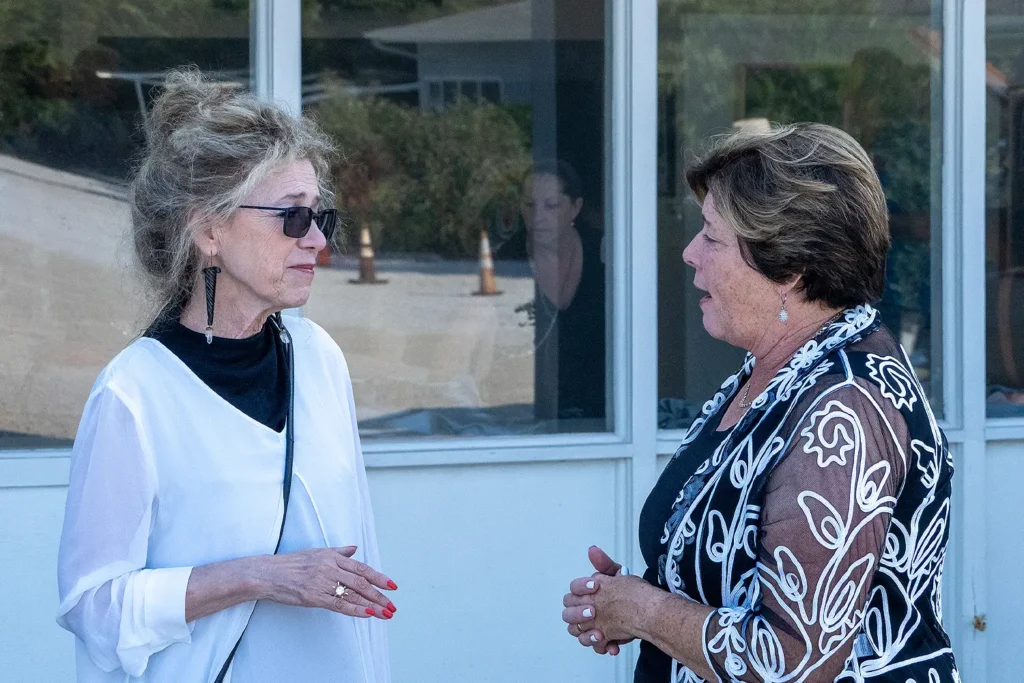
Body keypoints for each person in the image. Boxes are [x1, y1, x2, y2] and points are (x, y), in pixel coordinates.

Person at [561, 123, 958, 682]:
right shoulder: (779, 370)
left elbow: (793, 664)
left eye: (713, 238)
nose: (689, 253)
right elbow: (742, 570)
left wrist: (645, 612)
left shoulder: (842, 408)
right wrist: (638, 597)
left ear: (789, 268)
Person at [56, 69, 394, 683]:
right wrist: (257, 577)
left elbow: (360, 563)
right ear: (209, 230)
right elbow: (93, 608)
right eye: (292, 218)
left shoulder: (320, 358)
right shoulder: (134, 395)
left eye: (322, 217)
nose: (317, 240)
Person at [520, 159, 606, 424]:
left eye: (551, 206)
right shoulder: (507, 261)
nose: (538, 217)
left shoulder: (606, 255)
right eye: (529, 206)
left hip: (604, 417)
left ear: (575, 207)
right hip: (522, 416)